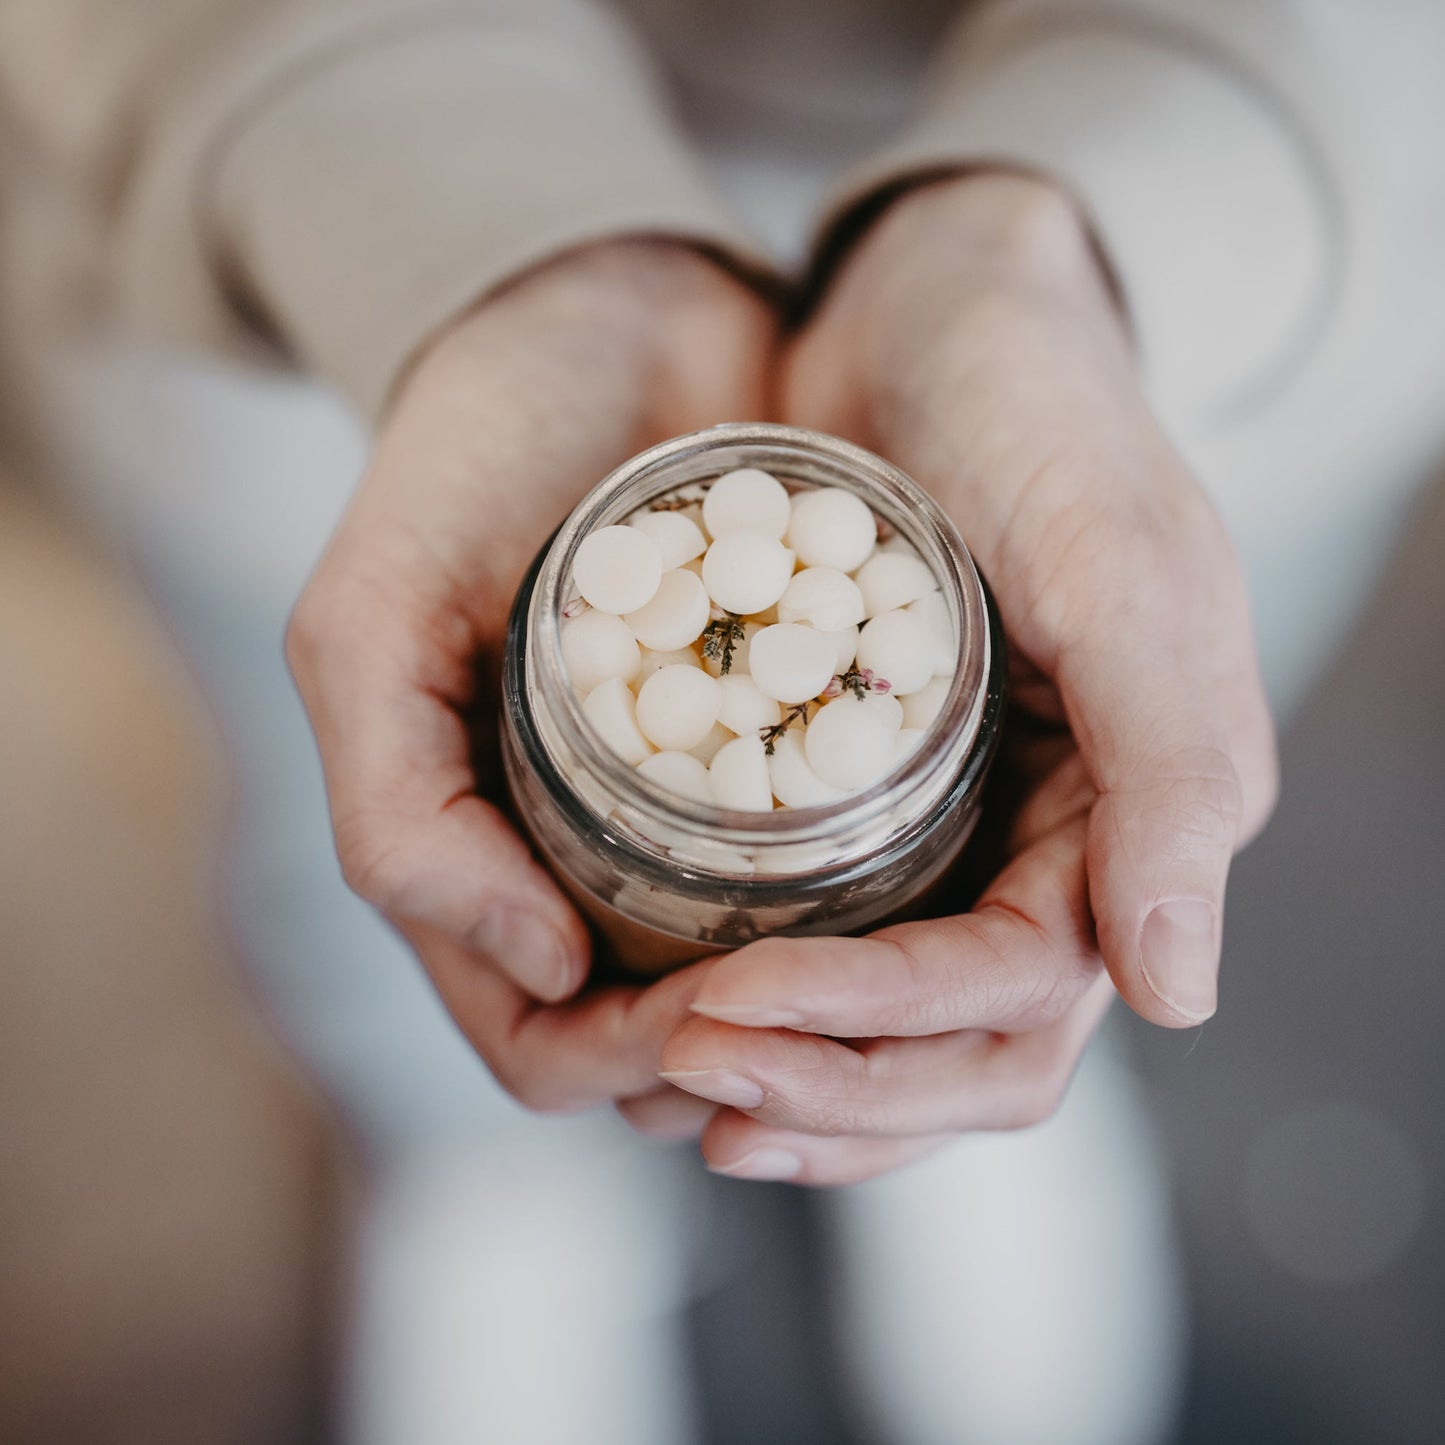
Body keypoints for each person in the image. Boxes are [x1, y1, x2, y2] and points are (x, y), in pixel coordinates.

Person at [3, 1, 1442, 1440]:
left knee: (1092, 739)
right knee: (359, 822)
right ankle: (473, 1148)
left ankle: (938, 1098)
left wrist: (1147, 172)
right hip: (306, 275)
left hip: (1192, 298)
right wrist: (406, 161)